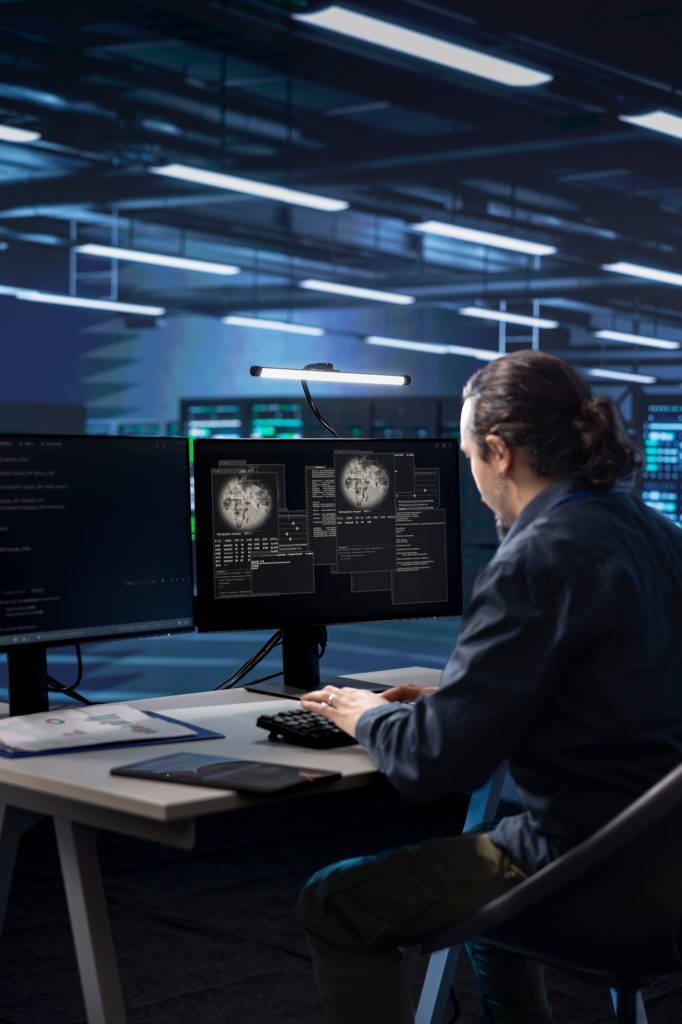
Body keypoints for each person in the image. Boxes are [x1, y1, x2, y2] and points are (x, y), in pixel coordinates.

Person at [296, 350, 682, 1024]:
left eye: (470, 457)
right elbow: (612, 680)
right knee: (493, 863)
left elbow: (436, 763)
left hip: (594, 875)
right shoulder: (655, 533)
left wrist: (363, 716)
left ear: (499, 453)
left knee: (336, 902)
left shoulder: (535, 557)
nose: (472, 478)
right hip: (665, 869)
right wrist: (464, 697)